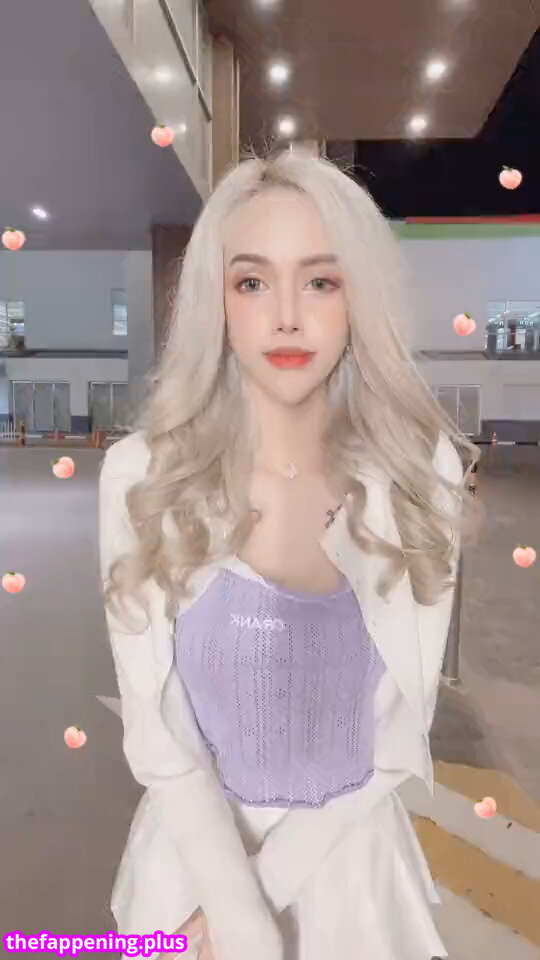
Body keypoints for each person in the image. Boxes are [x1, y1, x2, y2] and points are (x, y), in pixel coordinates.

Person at [99, 146, 480, 960]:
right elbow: (160, 742)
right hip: (189, 882)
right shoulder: (142, 476)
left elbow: (396, 738)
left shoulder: (418, 475)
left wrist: (257, 909)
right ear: (217, 302)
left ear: (358, 298)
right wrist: (234, 914)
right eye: (251, 283)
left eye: (320, 281)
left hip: (356, 885)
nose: (286, 318)